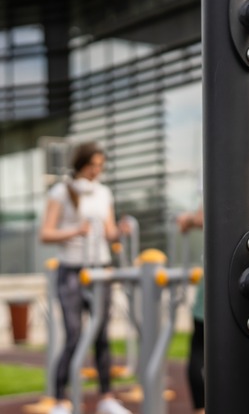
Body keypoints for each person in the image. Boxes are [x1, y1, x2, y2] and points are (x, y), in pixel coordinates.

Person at [179, 145, 249, 414]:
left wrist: (187, 221)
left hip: (223, 265)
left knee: (202, 344)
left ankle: (203, 409)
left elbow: (208, 214)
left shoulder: (218, 155)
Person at [40, 142, 132, 414]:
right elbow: (45, 234)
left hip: (100, 267)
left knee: (102, 336)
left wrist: (120, 231)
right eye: (93, 165)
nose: (96, 171)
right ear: (80, 164)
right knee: (74, 335)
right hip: (72, 270)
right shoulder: (61, 192)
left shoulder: (104, 193)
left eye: (100, 166)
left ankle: (106, 398)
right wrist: (75, 231)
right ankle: (60, 400)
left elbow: (109, 232)